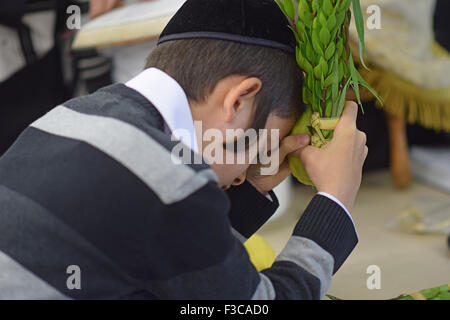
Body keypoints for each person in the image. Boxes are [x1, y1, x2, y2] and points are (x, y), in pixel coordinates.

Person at [0, 0, 366, 299]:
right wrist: (335, 201)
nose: (243, 172)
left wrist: (251, 189)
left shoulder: (71, 114)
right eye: (261, 149)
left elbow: (172, 261)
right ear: (238, 101)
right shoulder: (168, 176)